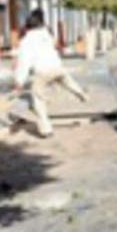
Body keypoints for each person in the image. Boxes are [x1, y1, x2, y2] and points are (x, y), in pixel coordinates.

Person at [11, 9, 88, 138]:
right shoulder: (46, 34)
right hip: (57, 66)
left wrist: (19, 82)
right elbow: (52, 41)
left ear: (27, 28)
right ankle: (82, 94)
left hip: (42, 71)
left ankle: (46, 130)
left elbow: (24, 63)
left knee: (38, 100)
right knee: (67, 81)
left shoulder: (26, 42)